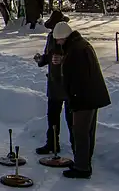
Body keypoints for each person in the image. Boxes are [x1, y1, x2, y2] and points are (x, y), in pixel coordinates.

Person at [51, 21, 111, 179]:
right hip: (92, 95)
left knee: (81, 132)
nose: (57, 42)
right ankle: (83, 161)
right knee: (88, 131)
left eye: (58, 39)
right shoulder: (79, 45)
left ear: (64, 37)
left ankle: (82, 167)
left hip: (84, 97)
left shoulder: (76, 50)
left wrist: (74, 99)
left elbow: (78, 77)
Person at [33, 10, 73, 159]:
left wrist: (63, 60)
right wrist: (41, 60)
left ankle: (76, 147)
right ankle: (52, 144)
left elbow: (73, 57)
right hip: (54, 82)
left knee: (71, 118)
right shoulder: (50, 38)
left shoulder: (70, 40)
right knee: (52, 116)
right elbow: (49, 56)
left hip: (67, 83)